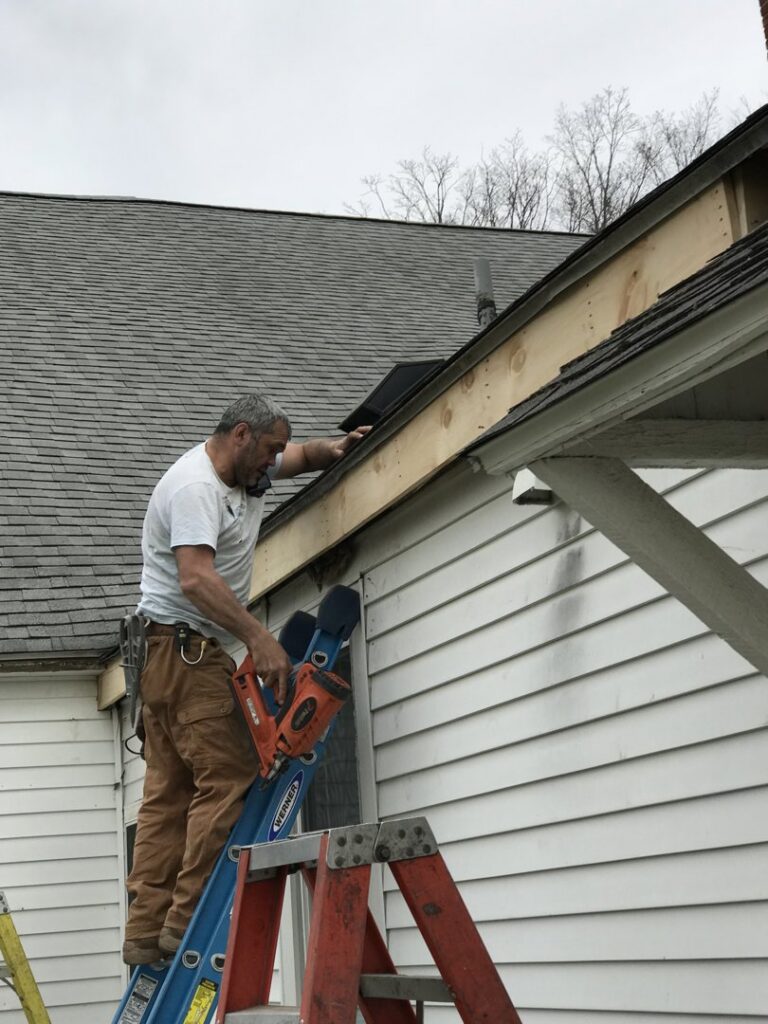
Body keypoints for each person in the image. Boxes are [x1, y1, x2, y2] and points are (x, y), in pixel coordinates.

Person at [122, 393, 369, 965]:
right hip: (186, 652)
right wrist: (258, 638)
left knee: (169, 793)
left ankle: (145, 931)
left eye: (277, 452)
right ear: (239, 435)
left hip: (161, 655)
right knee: (230, 771)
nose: (273, 463)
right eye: (268, 452)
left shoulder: (244, 472)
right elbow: (195, 580)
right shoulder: (197, 490)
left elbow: (302, 455)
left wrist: (334, 450)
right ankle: (184, 923)